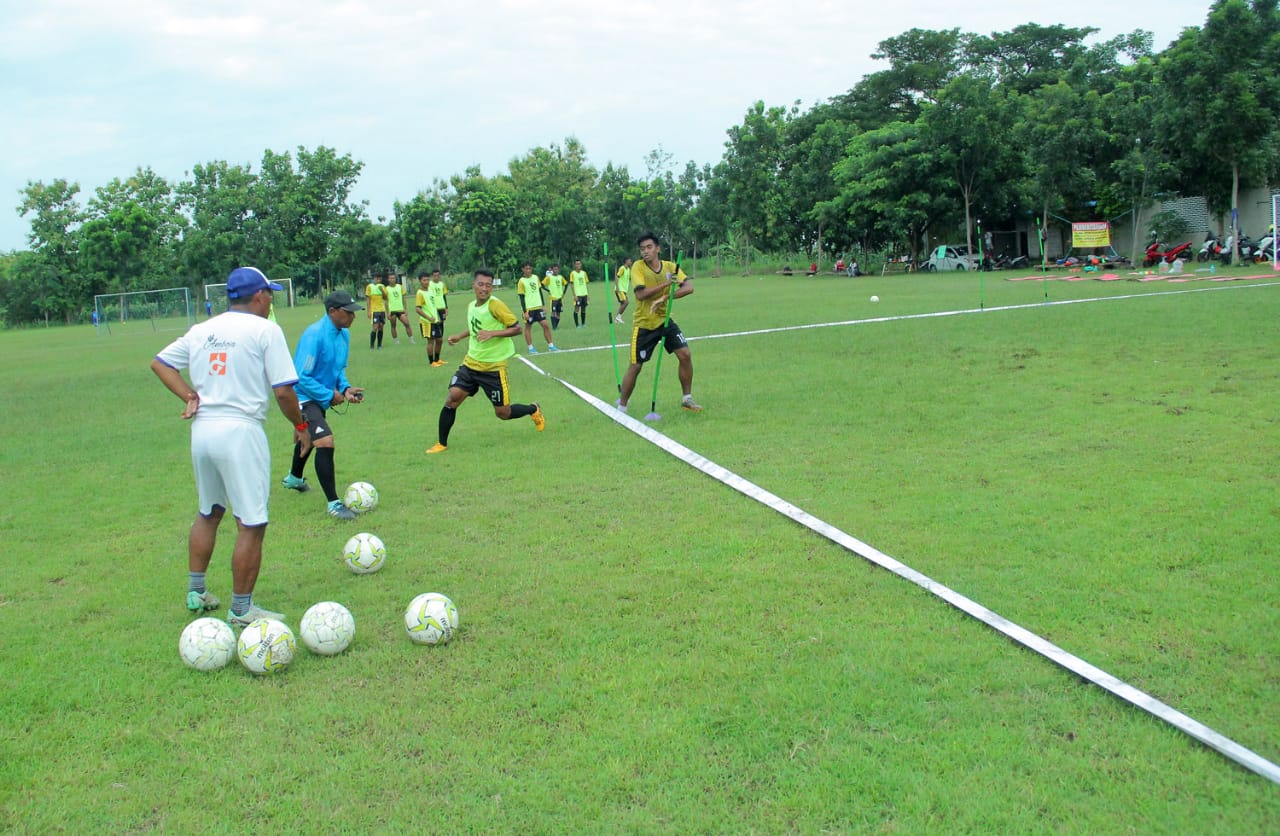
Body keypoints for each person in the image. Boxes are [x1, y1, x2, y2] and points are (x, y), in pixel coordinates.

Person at [149, 266, 311, 627]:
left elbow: (160, 363)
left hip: (203, 430)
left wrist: (189, 395)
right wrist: (301, 425)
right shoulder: (265, 330)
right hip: (241, 431)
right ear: (258, 297)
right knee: (252, 523)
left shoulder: (202, 330)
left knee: (210, 510)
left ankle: (197, 591)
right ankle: (241, 610)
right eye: (269, 294)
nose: (271, 300)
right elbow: (284, 390)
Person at [425, 269, 545, 454]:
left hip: (493, 368)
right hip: (471, 364)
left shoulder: (496, 305)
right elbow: (476, 327)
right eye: (481, 284)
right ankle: (441, 443)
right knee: (452, 399)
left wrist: (492, 334)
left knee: (502, 413)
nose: (484, 288)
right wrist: (459, 336)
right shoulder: (471, 305)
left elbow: (516, 328)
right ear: (474, 285)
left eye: (488, 285)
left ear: (491, 287)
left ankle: (533, 409)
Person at [281, 291, 367, 520]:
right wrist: (329, 395)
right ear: (332, 312)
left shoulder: (344, 335)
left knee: (309, 437)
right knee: (325, 441)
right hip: (302, 397)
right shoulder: (314, 335)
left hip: (319, 397)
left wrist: (346, 389)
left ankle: (294, 478)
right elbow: (302, 376)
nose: (352, 317)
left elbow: (338, 369)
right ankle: (334, 504)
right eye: (348, 312)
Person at [617, 231, 702, 413]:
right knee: (636, 366)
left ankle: (687, 399)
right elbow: (640, 294)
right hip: (644, 324)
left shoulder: (670, 266)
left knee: (685, 355)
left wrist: (664, 298)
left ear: (657, 249)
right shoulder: (638, 267)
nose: (645, 252)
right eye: (642, 249)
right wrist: (666, 285)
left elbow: (689, 287)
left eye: (649, 247)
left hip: (664, 321)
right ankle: (622, 406)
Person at [515, 261, 558, 353]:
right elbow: (521, 298)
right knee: (528, 327)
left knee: (545, 325)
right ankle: (531, 348)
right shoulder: (521, 281)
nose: (528, 270)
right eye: (526, 268)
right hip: (529, 309)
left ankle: (551, 346)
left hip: (538, 307)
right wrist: (525, 311)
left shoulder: (535, 277)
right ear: (523, 269)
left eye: (530, 268)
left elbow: (539, 291)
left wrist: (543, 305)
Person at [425, 269, 449, 365]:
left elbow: (444, 296)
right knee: (434, 333)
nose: (436, 277)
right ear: (432, 276)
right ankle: (432, 360)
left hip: (441, 308)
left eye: (438, 275)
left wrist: (446, 307)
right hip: (434, 309)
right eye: (434, 275)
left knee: (441, 329)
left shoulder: (442, 284)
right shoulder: (429, 285)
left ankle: (437, 358)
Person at [414, 273, 439, 364]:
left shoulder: (431, 290)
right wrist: (428, 317)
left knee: (439, 340)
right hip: (427, 322)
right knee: (431, 341)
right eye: (424, 280)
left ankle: (437, 359)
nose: (426, 282)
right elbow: (418, 309)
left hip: (435, 320)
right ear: (420, 281)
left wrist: (437, 317)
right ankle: (431, 362)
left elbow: (432, 305)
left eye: (428, 280)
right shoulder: (420, 293)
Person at [385, 273, 413, 344]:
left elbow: (404, 299)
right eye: (390, 278)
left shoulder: (400, 287)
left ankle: (411, 339)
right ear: (388, 279)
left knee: (407, 323)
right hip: (392, 310)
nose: (392, 280)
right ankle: (396, 340)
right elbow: (386, 302)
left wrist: (405, 309)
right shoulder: (386, 289)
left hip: (400, 309)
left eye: (393, 278)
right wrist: (388, 312)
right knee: (393, 325)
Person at [542, 265, 568, 330]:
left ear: (558, 270)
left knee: (558, 313)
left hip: (560, 298)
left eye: (557, 269)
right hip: (553, 298)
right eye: (554, 269)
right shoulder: (549, 278)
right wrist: (548, 290)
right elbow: (542, 284)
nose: (555, 271)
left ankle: (555, 326)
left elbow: (566, 284)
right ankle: (554, 327)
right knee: (553, 312)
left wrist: (564, 293)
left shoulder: (560, 277)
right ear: (552, 270)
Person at [365, 273, 387, 349]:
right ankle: (372, 345)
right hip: (374, 310)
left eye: (380, 279)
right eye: (377, 279)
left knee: (381, 326)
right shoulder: (369, 287)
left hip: (382, 310)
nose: (379, 280)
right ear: (374, 279)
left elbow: (385, 298)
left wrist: (382, 291)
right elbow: (368, 300)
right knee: (375, 327)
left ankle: (379, 345)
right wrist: (368, 311)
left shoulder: (382, 286)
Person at [569, 259, 590, 328]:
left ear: (581, 265)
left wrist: (587, 294)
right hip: (578, 294)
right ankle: (577, 325)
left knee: (584, 309)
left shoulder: (584, 273)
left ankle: (583, 324)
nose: (578, 265)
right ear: (575, 265)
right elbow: (571, 284)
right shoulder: (573, 273)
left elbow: (586, 284)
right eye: (577, 264)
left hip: (584, 294)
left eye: (579, 264)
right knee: (577, 309)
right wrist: (574, 295)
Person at [612, 257, 632, 323]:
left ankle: (617, 319)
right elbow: (616, 277)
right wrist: (617, 287)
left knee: (623, 304)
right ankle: (618, 317)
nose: (630, 262)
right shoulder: (622, 268)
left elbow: (630, 278)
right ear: (626, 261)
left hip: (624, 290)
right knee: (626, 302)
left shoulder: (628, 270)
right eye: (629, 261)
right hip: (620, 289)